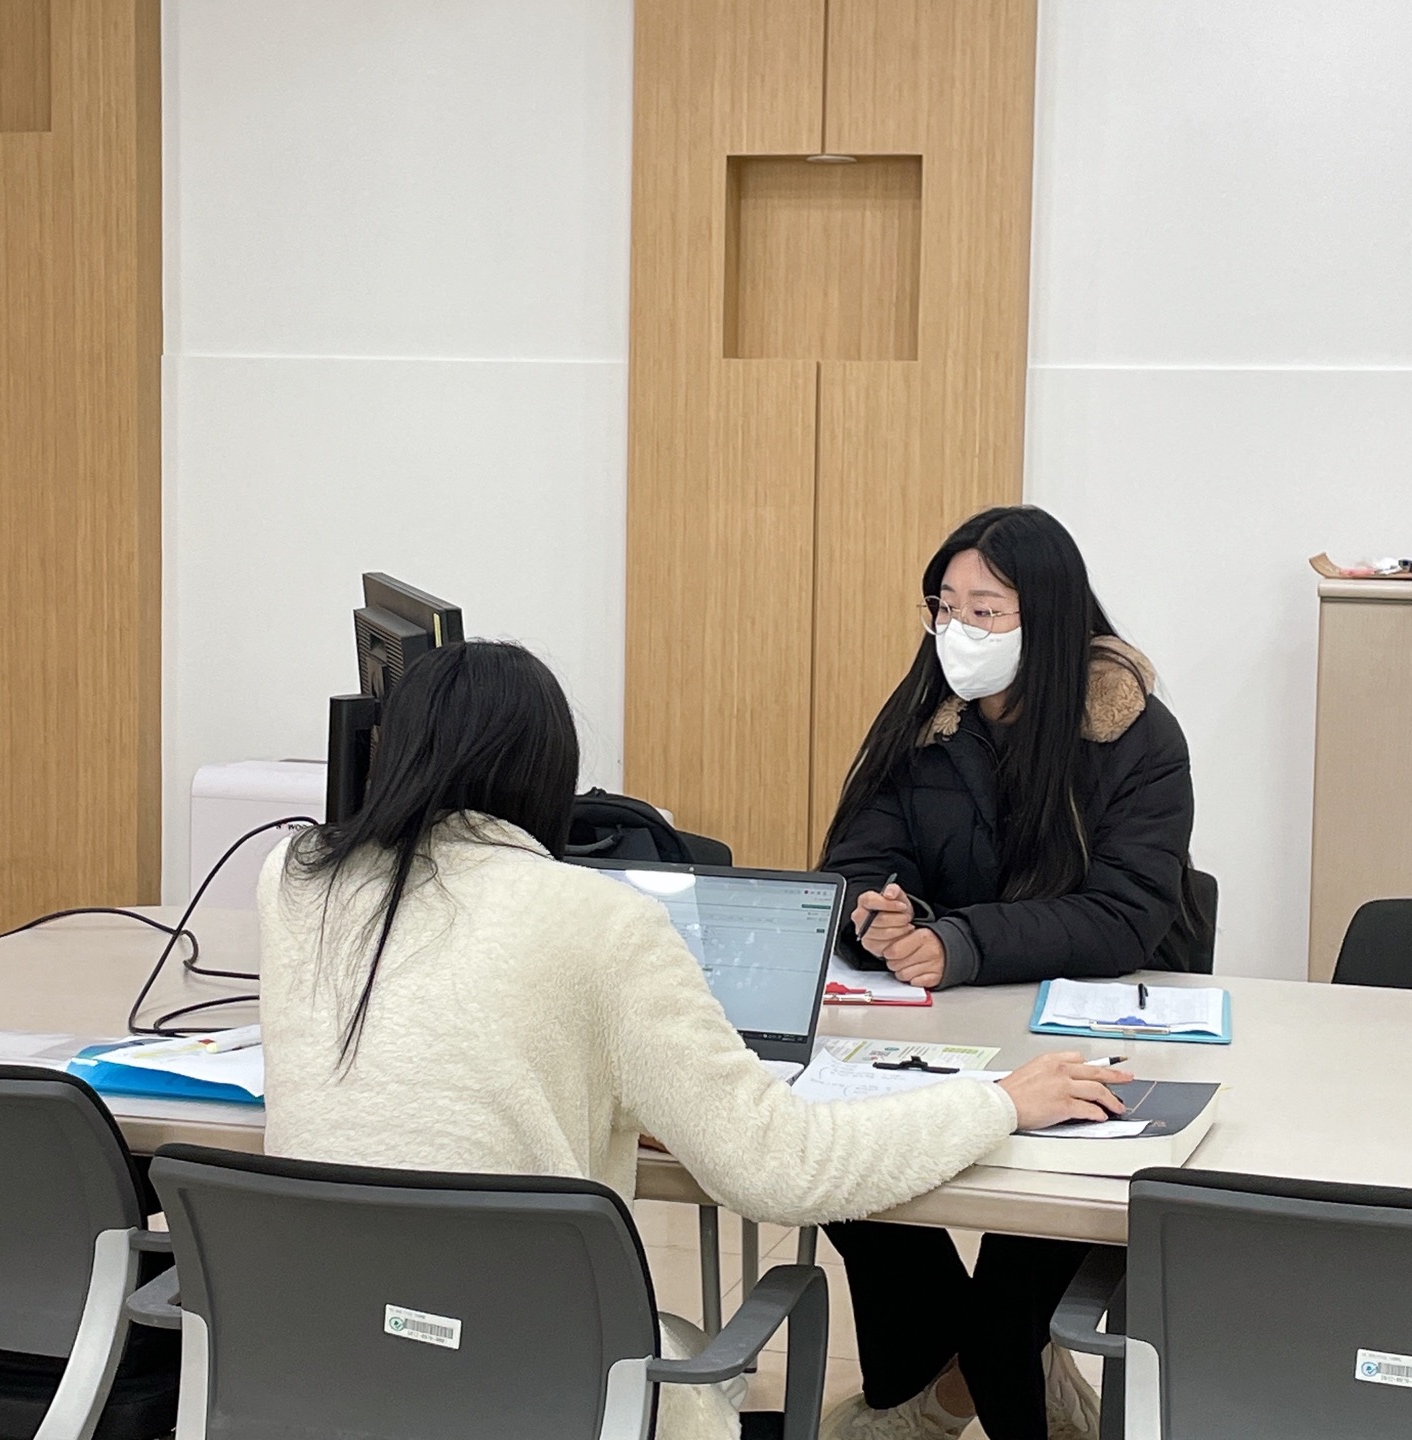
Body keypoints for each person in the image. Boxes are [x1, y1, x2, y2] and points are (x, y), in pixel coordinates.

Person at [257, 639, 1130, 1440]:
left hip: (319, 1375)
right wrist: (997, 1103)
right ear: (545, 774)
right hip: (540, 1386)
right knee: (678, 1345)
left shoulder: (292, 883)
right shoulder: (600, 919)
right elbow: (781, 1166)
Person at [818, 505, 1200, 1440]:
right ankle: (948, 1379)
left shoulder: (1136, 736)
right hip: (940, 1024)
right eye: (944, 606)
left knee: (1021, 1262)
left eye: (985, 611)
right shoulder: (926, 717)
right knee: (839, 1169)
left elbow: (1124, 914)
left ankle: (974, 1379)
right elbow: (854, 862)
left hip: (1092, 1032)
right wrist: (879, 915)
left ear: (1051, 618)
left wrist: (961, 944)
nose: (958, 630)